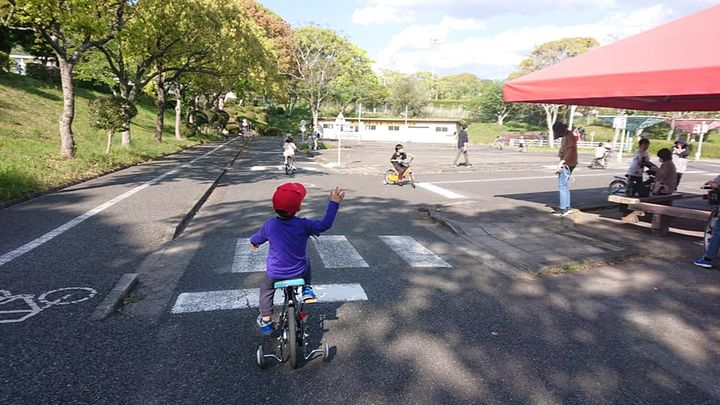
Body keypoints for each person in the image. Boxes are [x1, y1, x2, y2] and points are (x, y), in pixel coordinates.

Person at [251, 183, 346, 334]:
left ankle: (266, 319)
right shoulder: (304, 225)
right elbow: (325, 224)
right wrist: (334, 203)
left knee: (266, 289)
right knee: (306, 261)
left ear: (274, 207)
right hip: (298, 272)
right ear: (299, 208)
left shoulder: (270, 225)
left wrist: (254, 242)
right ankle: (307, 289)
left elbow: (258, 238)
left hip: (275, 274)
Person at [553, 122, 577, 216]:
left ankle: (563, 208)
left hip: (567, 163)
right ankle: (567, 206)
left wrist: (561, 163)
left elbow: (571, 150)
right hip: (569, 162)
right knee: (565, 185)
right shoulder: (568, 135)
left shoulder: (569, 136)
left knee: (562, 185)